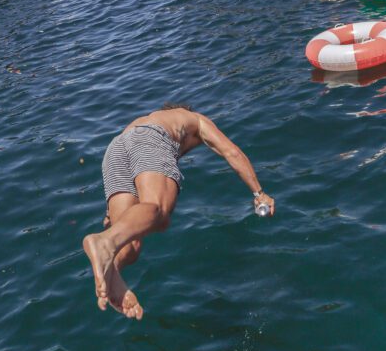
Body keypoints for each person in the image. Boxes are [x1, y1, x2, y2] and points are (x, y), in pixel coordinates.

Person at [82, 104, 274, 319]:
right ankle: (104, 242)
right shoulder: (194, 118)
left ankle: (112, 271)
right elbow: (232, 152)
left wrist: (111, 213)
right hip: (150, 138)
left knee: (131, 244)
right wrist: (259, 193)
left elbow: (131, 152)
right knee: (159, 213)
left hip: (115, 148)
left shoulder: (142, 121)